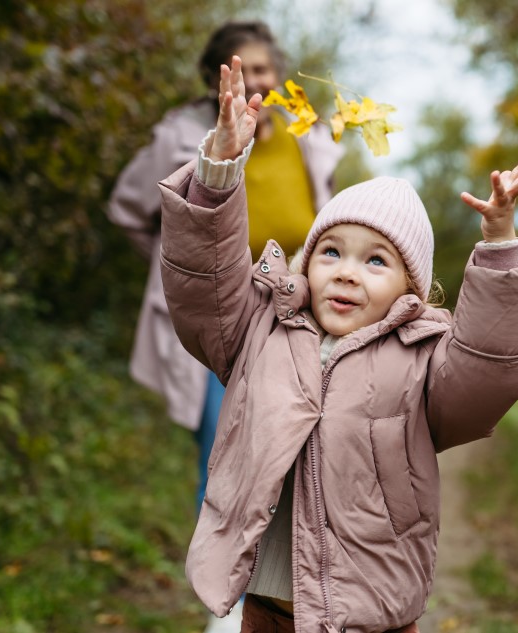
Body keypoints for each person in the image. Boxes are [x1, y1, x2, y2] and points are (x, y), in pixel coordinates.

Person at [156, 56, 518, 632]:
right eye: (331, 251)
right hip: (269, 605)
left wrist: (499, 251)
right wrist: (217, 171)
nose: (346, 272)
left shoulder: (422, 360)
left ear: (410, 288)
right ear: (307, 262)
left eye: (376, 260)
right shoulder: (259, 328)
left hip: (369, 611)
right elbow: (203, 283)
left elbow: (491, 372)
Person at [107, 21, 343, 519]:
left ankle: (274, 583)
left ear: (278, 73)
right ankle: (220, 592)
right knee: (222, 450)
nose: (255, 79)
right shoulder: (183, 135)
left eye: (263, 68)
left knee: (297, 445)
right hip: (222, 309)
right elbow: (128, 209)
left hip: (298, 313)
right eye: (241, 70)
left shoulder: (308, 137)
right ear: (216, 79)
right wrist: (178, 261)